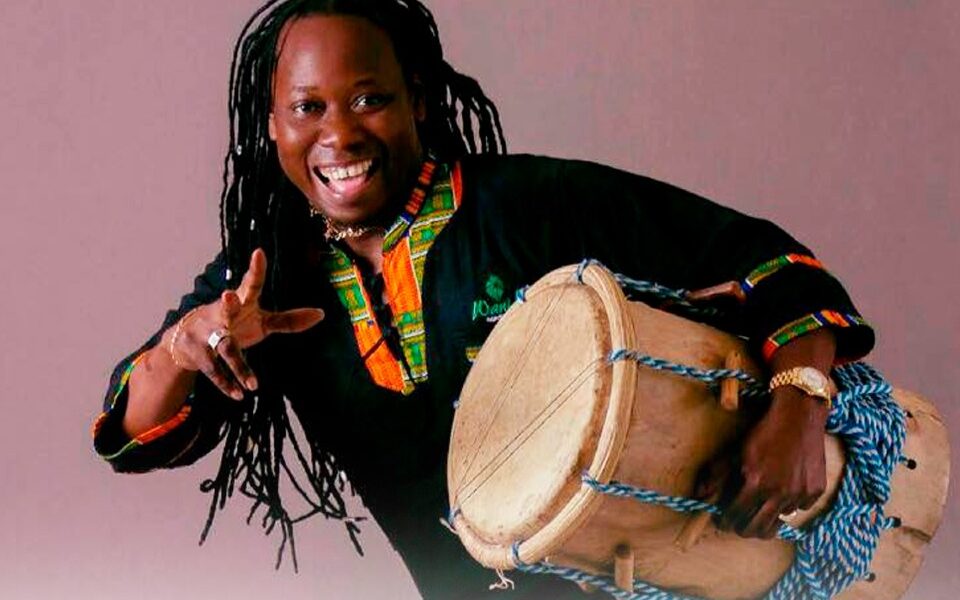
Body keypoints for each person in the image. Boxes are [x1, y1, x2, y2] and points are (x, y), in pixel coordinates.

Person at [92, 0, 873, 597]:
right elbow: (137, 431)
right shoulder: (264, 280)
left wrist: (798, 406)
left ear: (417, 101)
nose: (340, 134)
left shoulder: (527, 204)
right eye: (307, 108)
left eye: (368, 99)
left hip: (657, 577)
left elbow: (774, 265)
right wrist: (182, 348)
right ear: (271, 125)